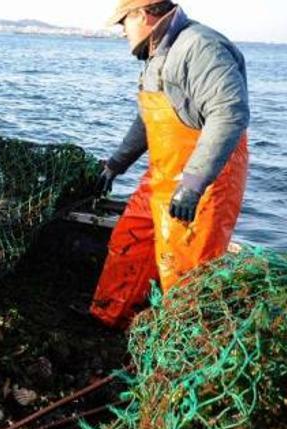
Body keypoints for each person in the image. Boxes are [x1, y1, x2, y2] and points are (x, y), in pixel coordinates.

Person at [90, 0, 249, 329]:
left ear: (143, 15)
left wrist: (193, 184)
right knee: (128, 242)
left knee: (185, 270)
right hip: (161, 176)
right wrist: (115, 165)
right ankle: (111, 320)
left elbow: (228, 114)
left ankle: (181, 349)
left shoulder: (201, 46)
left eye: (124, 23)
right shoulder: (156, 55)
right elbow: (147, 121)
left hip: (204, 183)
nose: (123, 32)